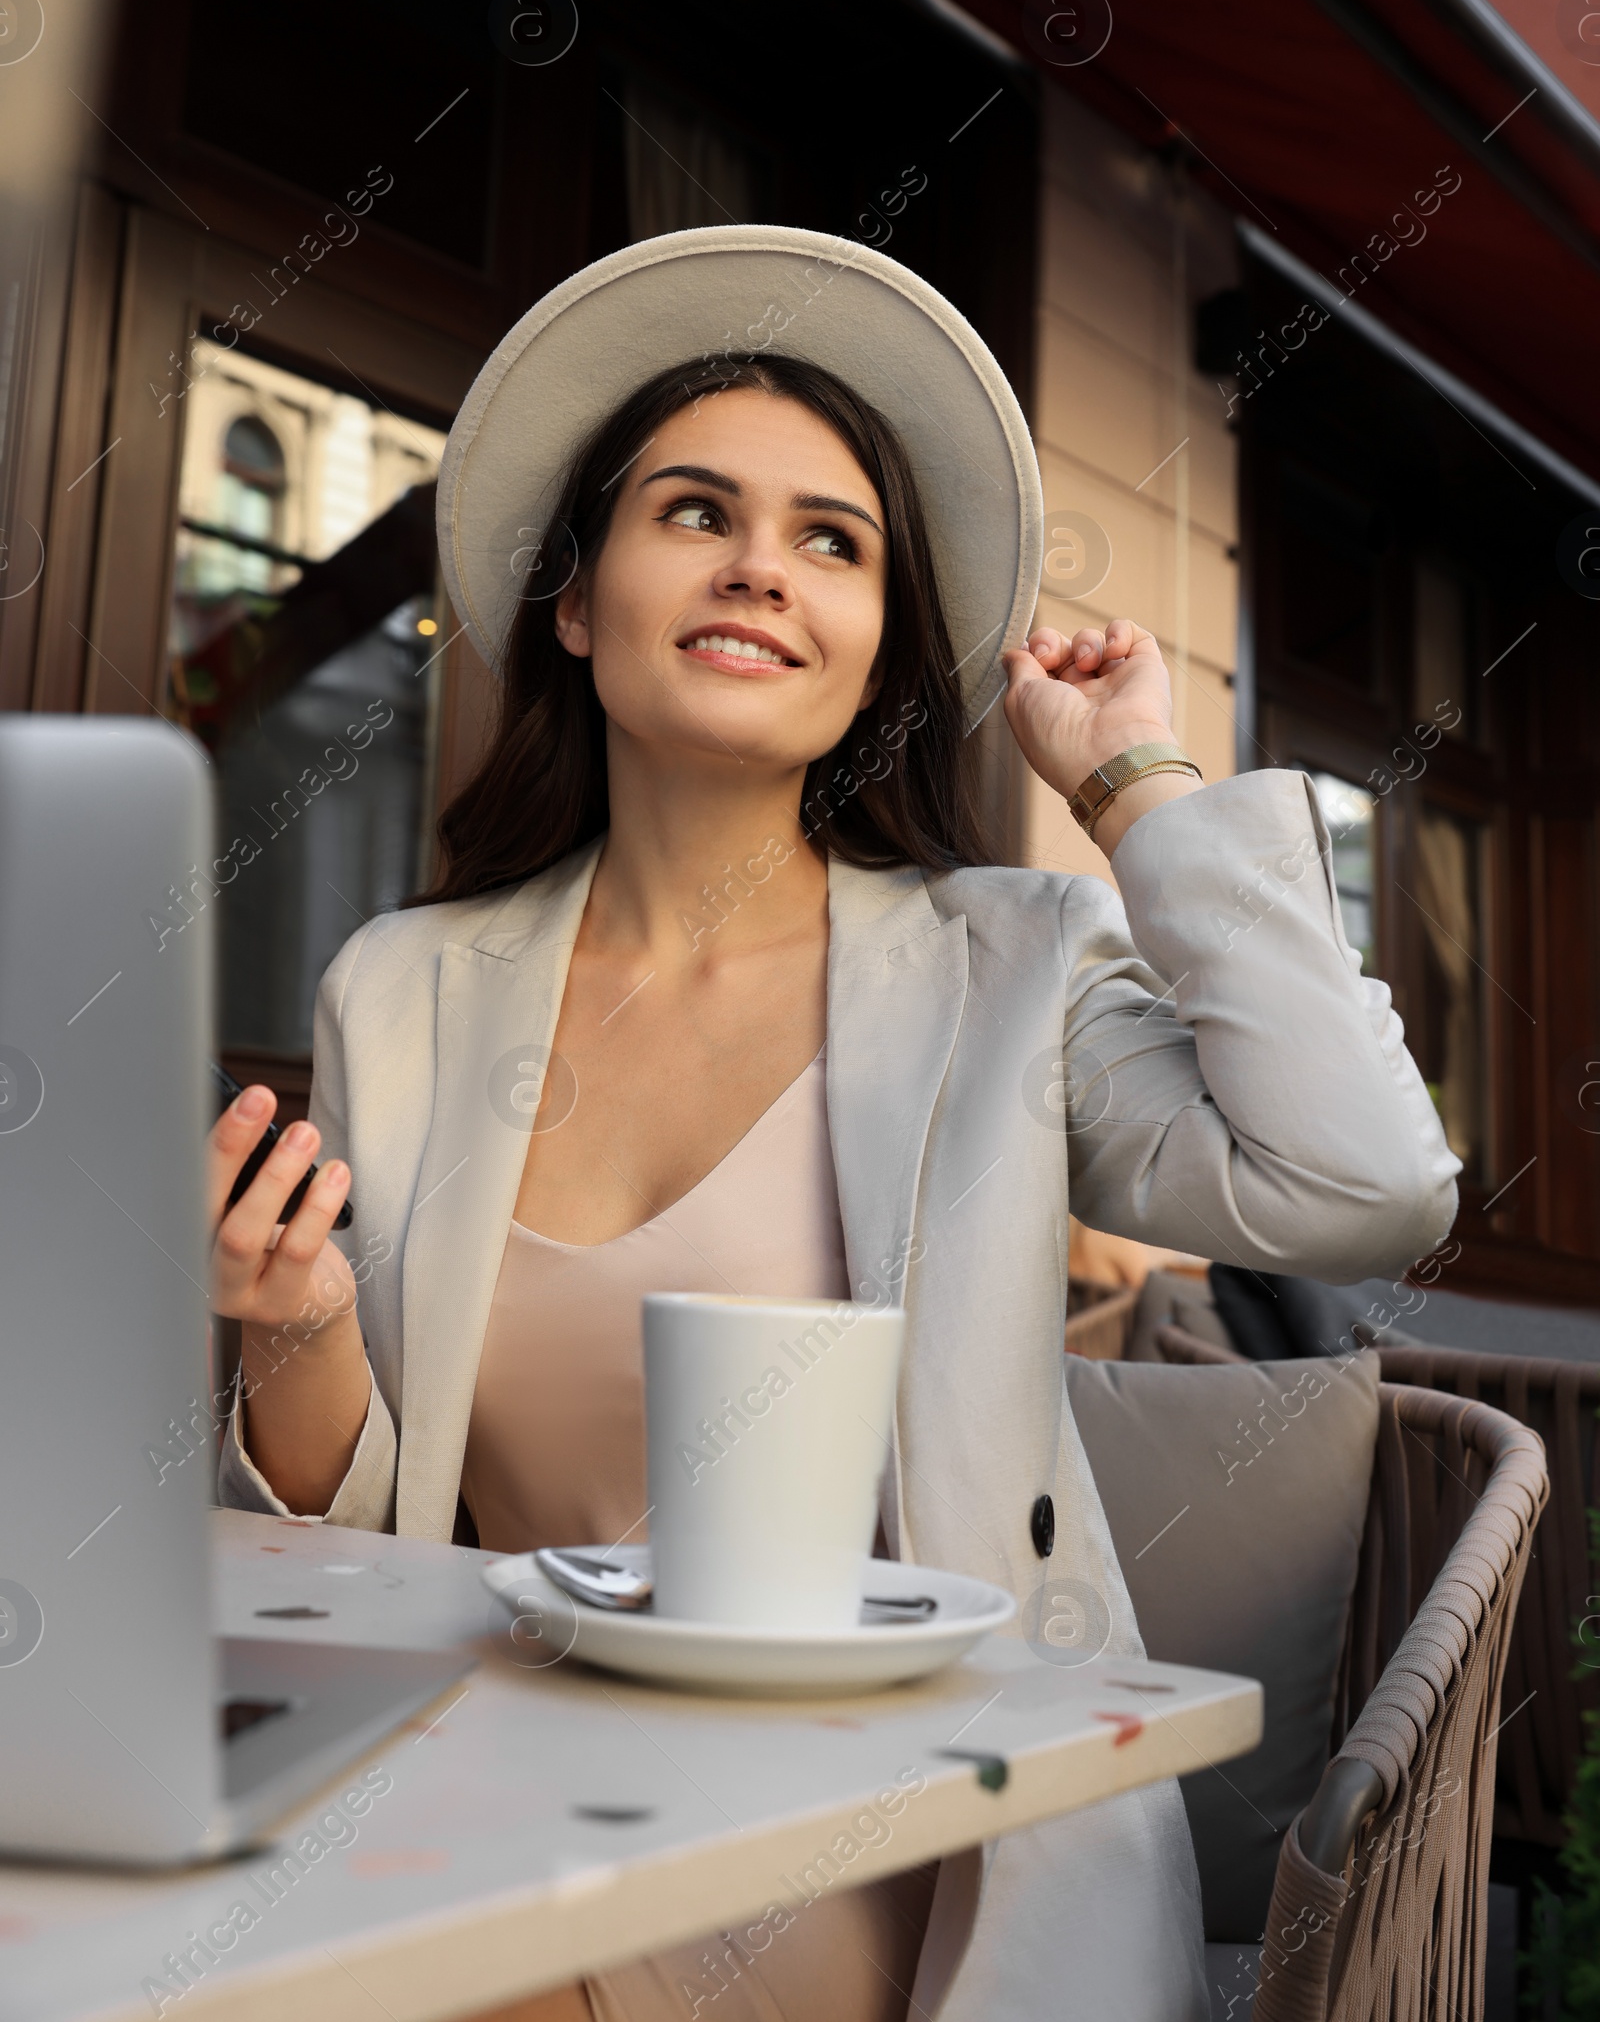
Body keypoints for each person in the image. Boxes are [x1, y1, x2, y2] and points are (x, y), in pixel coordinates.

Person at [212, 227, 1459, 2022]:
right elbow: (366, 1531)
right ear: (578, 600)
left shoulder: (1006, 965)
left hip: (902, 1835)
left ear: (877, 655)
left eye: (832, 540)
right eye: (693, 512)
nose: (760, 570)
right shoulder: (399, 990)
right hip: (506, 1785)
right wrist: (296, 1325)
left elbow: (1366, 1185)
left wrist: (1132, 782)